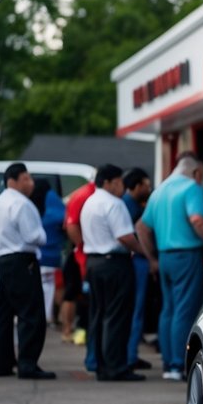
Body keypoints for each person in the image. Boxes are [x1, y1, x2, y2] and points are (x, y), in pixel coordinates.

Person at [136, 152, 203, 381]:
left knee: (169, 309)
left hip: (165, 257)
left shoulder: (159, 191)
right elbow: (197, 220)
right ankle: (178, 364)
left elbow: (141, 227)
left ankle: (168, 363)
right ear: (195, 171)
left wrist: (152, 257)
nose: (201, 179)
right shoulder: (192, 188)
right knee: (185, 309)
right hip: (187, 255)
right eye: (201, 174)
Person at [82, 164, 154, 382]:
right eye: (119, 182)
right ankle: (116, 367)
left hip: (94, 262)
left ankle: (101, 365)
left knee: (99, 315)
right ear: (108, 183)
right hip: (114, 263)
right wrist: (144, 252)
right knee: (117, 316)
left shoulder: (90, 202)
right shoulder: (114, 204)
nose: (123, 186)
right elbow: (125, 237)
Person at [0, 163, 55, 380]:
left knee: (4, 314)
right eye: (26, 178)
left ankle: (1, 363)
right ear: (14, 180)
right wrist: (43, 237)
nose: (31, 183)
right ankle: (28, 364)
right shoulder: (22, 204)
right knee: (30, 314)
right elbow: (33, 236)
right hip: (22, 260)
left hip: (3, 260)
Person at [121, 167, 153, 371]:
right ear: (138, 186)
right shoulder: (130, 207)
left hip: (126, 262)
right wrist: (148, 255)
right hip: (135, 261)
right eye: (147, 185)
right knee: (135, 310)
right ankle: (130, 355)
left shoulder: (125, 204)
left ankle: (129, 354)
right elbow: (136, 233)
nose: (149, 189)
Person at [63, 178, 97, 363]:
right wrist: (82, 248)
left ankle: (75, 331)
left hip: (84, 255)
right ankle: (70, 330)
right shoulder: (85, 195)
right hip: (83, 256)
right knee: (78, 296)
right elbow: (71, 225)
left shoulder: (87, 195)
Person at [31, 178, 66, 325]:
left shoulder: (30, 207)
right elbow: (65, 222)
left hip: (34, 257)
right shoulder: (55, 205)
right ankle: (50, 317)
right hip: (52, 258)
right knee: (52, 288)